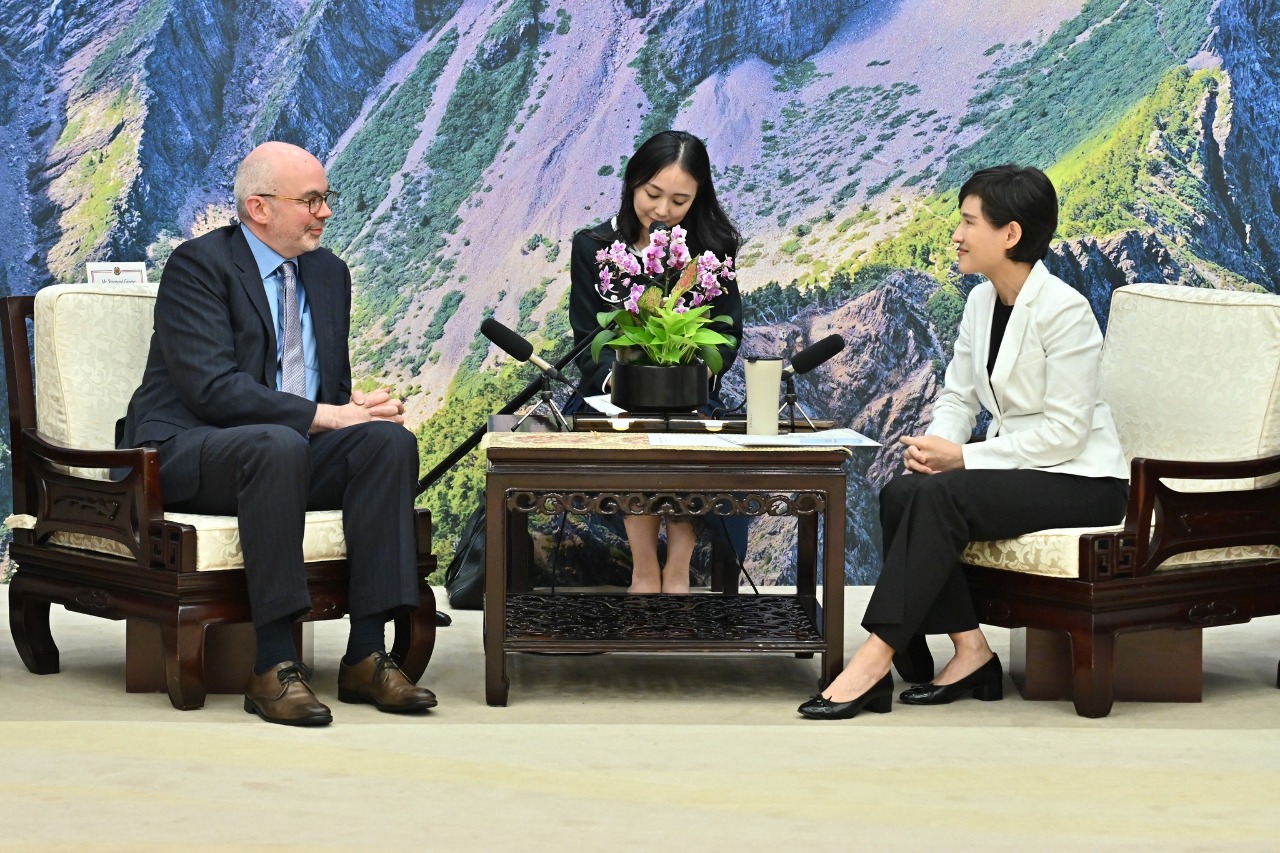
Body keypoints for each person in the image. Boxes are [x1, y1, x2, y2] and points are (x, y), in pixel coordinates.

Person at [117, 141, 437, 727]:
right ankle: (273, 664)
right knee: (278, 441)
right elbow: (213, 389)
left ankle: (368, 654)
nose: (326, 212)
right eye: (312, 200)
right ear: (259, 208)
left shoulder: (328, 272)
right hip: (184, 450)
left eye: (326, 198)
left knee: (387, 442)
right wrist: (324, 415)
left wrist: (353, 408)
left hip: (280, 450)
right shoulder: (199, 265)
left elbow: (325, 389)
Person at [798, 164, 1130, 720]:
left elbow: (1067, 434)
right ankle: (972, 651)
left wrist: (966, 457)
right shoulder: (980, 303)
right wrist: (937, 450)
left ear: (1011, 234)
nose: (956, 234)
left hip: (1083, 479)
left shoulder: (1066, 312)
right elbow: (958, 398)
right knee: (904, 492)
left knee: (939, 496)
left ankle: (873, 659)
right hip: (1022, 469)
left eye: (969, 222)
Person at [566, 130, 744, 594]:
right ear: (632, 183)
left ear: (698, 198)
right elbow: (589, 333)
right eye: (653, 194)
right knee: (631, 435)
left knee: (692, 437)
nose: (663, 211)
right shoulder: (595, 246)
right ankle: (645, 566)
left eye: (680, 200)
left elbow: (724, 330)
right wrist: (621, 383)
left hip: (688, 391)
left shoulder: (711, 248)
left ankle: (679, 567)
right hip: (616, 392)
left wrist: (696, 374)